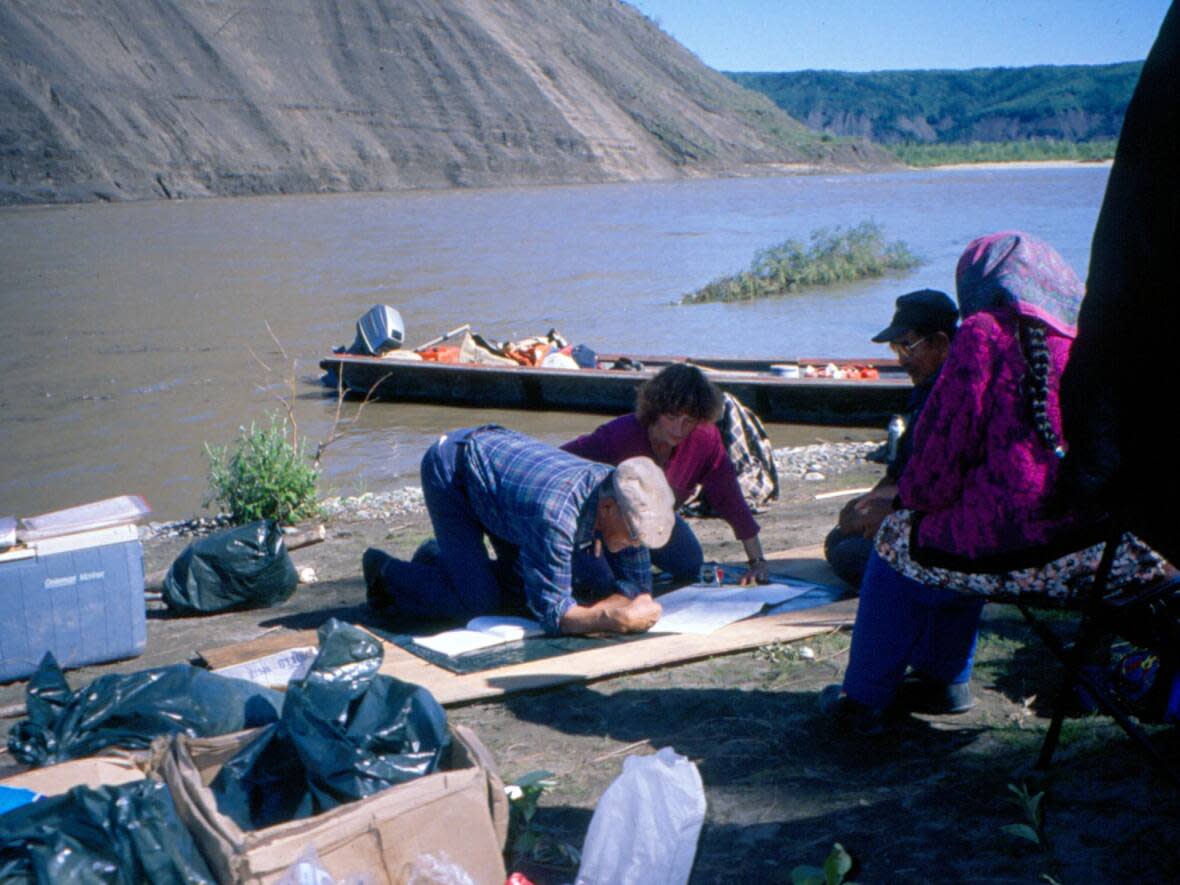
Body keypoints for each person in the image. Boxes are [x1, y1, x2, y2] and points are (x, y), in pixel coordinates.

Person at [819, 231, 1165, 735]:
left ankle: (867, 701)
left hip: (1024, 548)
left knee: (904, 540)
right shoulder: (1088, 335)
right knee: (953, 535)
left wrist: (904, 506)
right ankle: (942, 682)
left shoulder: (982, 334)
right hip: (1099, 544)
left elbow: (934, 470)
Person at [363, 425, 675, 636]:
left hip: (509, 492)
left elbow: (637, 584)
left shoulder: (626, 494)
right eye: (633, 535)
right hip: (454, 471)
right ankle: (385, 571)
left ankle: (439, 560)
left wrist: (631, 597)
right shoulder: (557, 515)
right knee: (477, 603)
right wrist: (613, 617)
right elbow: (554, 614)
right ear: (607, 509)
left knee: (535, 589)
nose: (636, 544)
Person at [562, 363, 770, 585]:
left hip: (655, 517)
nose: (679, 429)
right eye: (671, 417)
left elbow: (731, 499)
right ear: (654, 411)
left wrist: (757, 560)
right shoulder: (618, 436)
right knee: (602, 582)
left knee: (689, 563)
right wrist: (587, 530)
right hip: (607, 523)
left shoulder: (705, 441)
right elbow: (557, 465)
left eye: (688, 421)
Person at [824, 289, 958, 586]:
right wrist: (868, 502)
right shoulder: (925, 391)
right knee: (839, 537)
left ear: (941, 344)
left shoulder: (957, 396)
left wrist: (892, 513)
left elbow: (945, 487)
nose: (901, 361)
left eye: (908, 348)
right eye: (897, 350)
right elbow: (904, 469)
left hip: (946, 522)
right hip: (913, 506)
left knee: (849, 555)